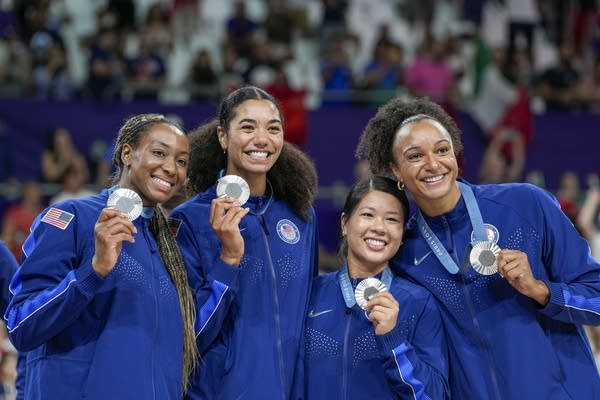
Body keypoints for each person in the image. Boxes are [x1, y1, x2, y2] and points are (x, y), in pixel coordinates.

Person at [355, 97, 600, 399]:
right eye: (415, 156)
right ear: (396, 172)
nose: (433, 164)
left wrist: (541, 291)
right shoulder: (404, 254)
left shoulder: (525, 205)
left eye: (442, 150)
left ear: (456, 155)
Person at [4, 114, 237, 399]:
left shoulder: (169, 248)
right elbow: (22, 326)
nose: (170, 168)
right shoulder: (75, 218)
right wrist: (92, 272)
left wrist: (228, 261)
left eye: (181, 161)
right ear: (127, 153)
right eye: (159, 153)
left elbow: (190, 338)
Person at [170, 86, 319, 399]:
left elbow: (307, 313)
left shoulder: (301, 217)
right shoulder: (191, 219)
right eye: (248, 127)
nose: (262, 139)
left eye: (273, 128)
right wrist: (228, 261)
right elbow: (186, 335)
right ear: (223, 137)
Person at [304, 176, 450, 399]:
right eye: (367, 215)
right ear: (345, 223)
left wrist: (393, 340)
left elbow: (434, 396)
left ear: (402, 236)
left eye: (392, 220)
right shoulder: (311, 294)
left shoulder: (418, 302)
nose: (379, 228)